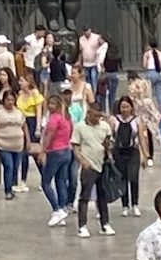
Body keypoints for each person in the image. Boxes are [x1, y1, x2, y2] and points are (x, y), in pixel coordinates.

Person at [74, 99, 114, 237]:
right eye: (95, 115)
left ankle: (105, 224)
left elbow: (108, 142)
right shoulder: (79, 127)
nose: (97, 118)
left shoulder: (105, 127)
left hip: (102, 164)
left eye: (99, 116)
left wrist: (109, 147)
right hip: (88, 165)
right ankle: (82, 225)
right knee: (85, 196)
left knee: (102, 196)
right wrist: (82, 161)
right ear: (88, 113)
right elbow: (75, 146)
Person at [43, 91, 78, 226]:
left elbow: (50, 135)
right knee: (61, 181)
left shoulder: (54, 118)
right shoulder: (67, 118)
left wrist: (43, 150)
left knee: (45, 182)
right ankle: (63, 209)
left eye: (53, 104)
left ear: (58, 105)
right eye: (49, 103)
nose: (50, 106)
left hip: (55, 152)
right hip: (66, 151)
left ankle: (56, 209)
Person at [0, 89, 27, 202]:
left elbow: (24, 127)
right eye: (8, 100)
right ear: (4, 100)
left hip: (17, 145)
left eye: (12, 100)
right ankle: (8, 190)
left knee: (15, 167)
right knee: (8, 166)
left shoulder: (18, 112)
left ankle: (12, 185)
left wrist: (27, 141)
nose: (10, 102)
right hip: (3, 144)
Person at [114, 97, 150, 218]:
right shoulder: (114, 120)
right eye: (122, 107)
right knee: (122, 178)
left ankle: (135, 204)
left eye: (127, 107)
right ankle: (125, 206)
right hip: (119, 152)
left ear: (131, 107)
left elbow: (141, 138)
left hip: (133, 152)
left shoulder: (137, 120)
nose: (124, 110)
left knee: (133, 177)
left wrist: (145, 155)